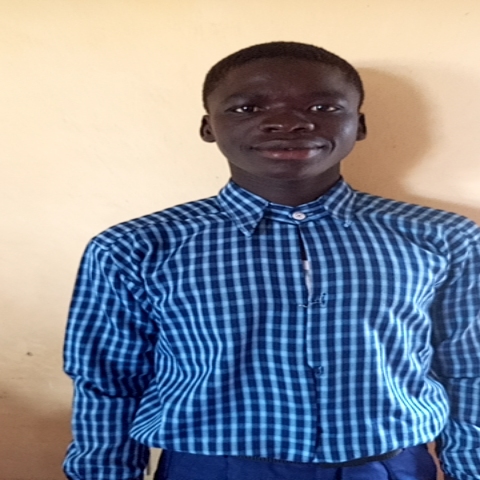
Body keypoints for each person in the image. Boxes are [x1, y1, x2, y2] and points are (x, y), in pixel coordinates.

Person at [63, 42, 479, 480]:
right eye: (247, 108)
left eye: (322, 107)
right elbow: (108, 383)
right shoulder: (135, 248)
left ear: (359, 125)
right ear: (208, 127)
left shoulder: (443, 237)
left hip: (387, 466)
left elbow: (470, 370)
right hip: (210, 468)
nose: (288, 123)